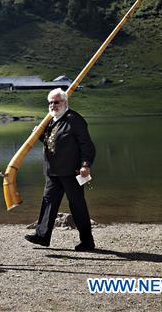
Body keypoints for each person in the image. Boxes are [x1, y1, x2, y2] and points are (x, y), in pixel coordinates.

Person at [25, 88, 97, 251]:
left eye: (56, 102)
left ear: (65, 102)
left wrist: (85, 164)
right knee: (48, 202)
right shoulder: (51, 120)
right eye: (50, 102)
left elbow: (86, 144)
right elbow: (52, 143)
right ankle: (42, 236)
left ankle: (87, 241)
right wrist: (39, 135)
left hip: (72, 172)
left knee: (77, 206)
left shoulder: (74, 119)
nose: (52, 105)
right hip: (53, 172)